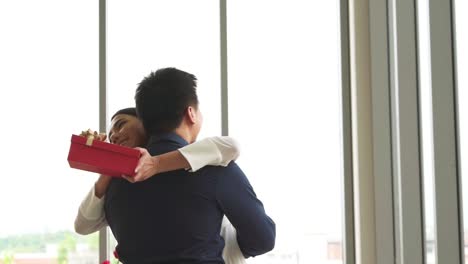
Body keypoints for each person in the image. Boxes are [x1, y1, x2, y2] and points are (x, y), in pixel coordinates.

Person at [104, 67, 275, 263]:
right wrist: (223, 246)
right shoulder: (216, 168)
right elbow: (263, 239)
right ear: (191, 113)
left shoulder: (115, 182)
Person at [74, 107, 246, 264]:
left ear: (147, 123)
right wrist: (107, 165)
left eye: (120, 125)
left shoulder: (196, 162)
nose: (115, 136)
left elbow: (231, 146)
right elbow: (82, 226)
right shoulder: (119, 185)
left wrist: (156, 163)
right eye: (111, 136)